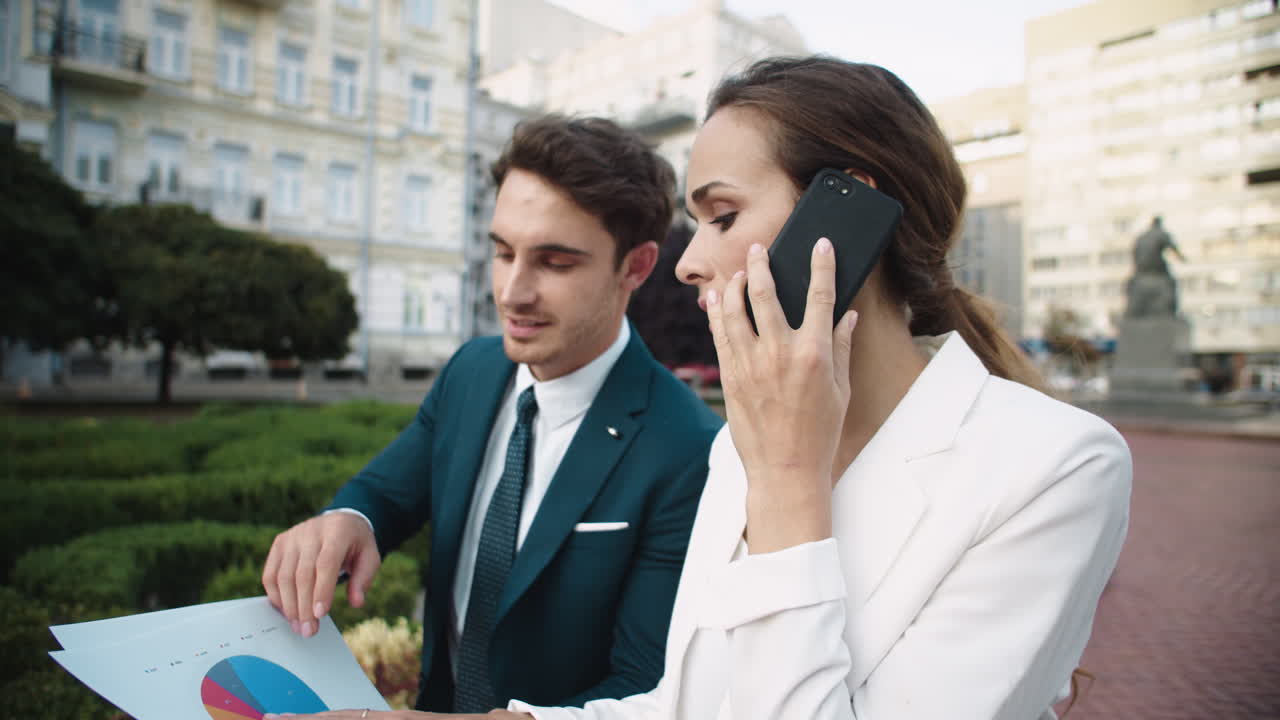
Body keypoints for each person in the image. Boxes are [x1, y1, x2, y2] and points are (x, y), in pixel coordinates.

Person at [274, 55, 1131, 720]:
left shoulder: (1054, 468)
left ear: (844, 218)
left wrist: (791, 484)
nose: (690, 261)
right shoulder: (739, 450)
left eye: (722, 216)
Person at [260, 115, 723, 714]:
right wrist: (349, 519)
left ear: (635, 267)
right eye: (503, 252)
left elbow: (643, 688)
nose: (511, 291)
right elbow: (387, 492)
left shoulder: (690, 448)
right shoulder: (472, 371)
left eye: (555, 263)